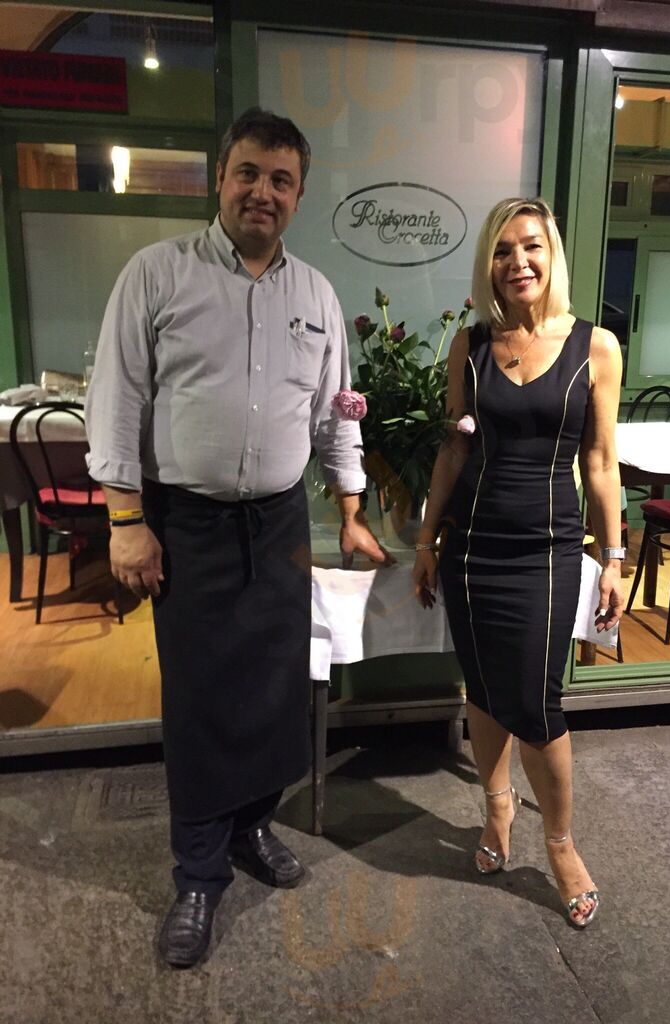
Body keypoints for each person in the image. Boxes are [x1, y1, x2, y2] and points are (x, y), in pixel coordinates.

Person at [85, 107, 389, 967]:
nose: (263, 191)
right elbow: (116, 401)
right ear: (220, 178)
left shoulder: (317, 296)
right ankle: (197, 873)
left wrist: (353, 507)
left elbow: (337, 414)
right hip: (187, 524)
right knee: (200, 698)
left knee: (272, 690)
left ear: (298, 195)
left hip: (280, 520)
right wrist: (126, 522)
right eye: (248, 172)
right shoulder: (157, 275)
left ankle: (252, 828)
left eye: (281, 180)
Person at [412, 197, 624, 928]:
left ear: (551, 254)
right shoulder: (471, 346)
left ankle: (559, 844)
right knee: (482, 689)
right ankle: (497, 806)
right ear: (490, 265)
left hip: (548, 551)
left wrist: (614, 557)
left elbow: (602, 463)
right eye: (502, 251)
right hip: (472, 548)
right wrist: (426, 541)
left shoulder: (595, 347)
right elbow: (454, 448)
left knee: (536, 704)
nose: (517, 262)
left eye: (530, 246)